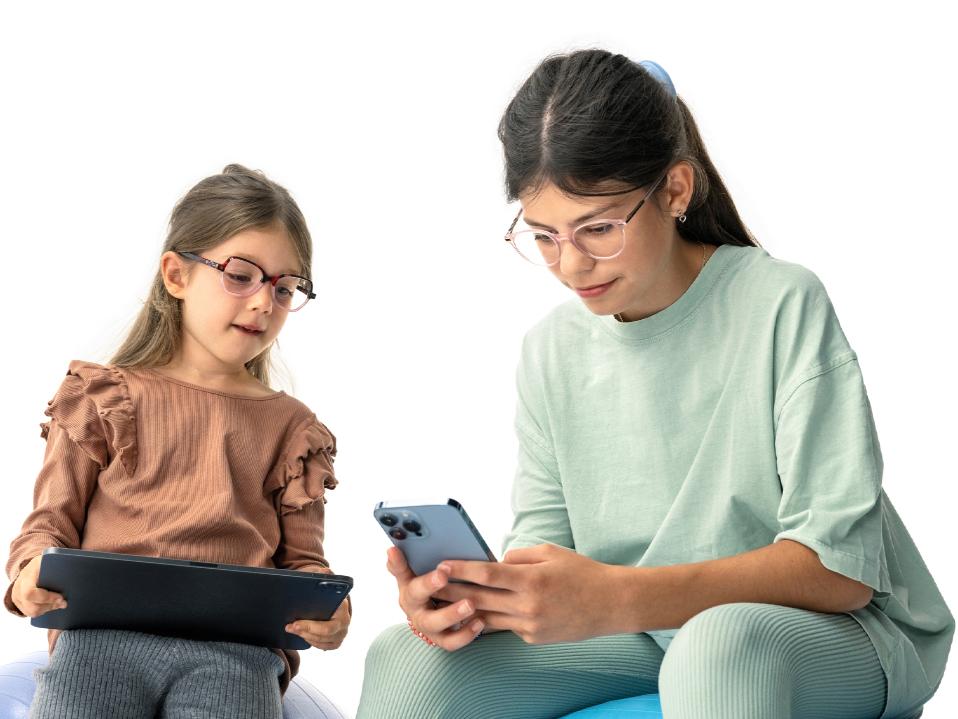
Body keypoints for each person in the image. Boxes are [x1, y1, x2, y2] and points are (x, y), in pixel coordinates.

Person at [357, 51, 953, 719]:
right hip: (641, 630)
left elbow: (839, 569)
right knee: (407, 657)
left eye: (599, 228)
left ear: (674, 189)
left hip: (831, 634)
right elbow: (549, 553)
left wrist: (616, 596)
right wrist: (484, 599)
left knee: (716, 643)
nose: (571, 264)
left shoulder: (781, 301)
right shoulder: (551, 351)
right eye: (546, 235)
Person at [4, 164, 350, 719]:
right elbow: (48, 524)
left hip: (235, 654)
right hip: (99, 641)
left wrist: (328, 608)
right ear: (176, 275)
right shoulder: (102, 397)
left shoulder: (292, 428)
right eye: (241, 276)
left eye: (285, 289)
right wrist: (26, 578)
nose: (264, 302)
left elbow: (304, 561)